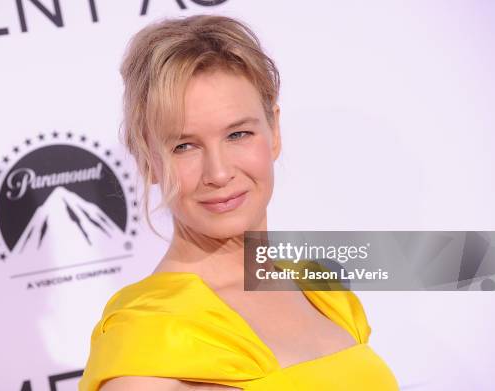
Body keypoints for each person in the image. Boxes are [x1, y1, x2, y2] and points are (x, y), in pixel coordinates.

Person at [78, 14, 399, 390]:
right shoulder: (147, 339)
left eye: (238, 134)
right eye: (184, 145)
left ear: (274, 131)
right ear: (148, 161)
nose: (218, 172)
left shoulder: (321, 290)